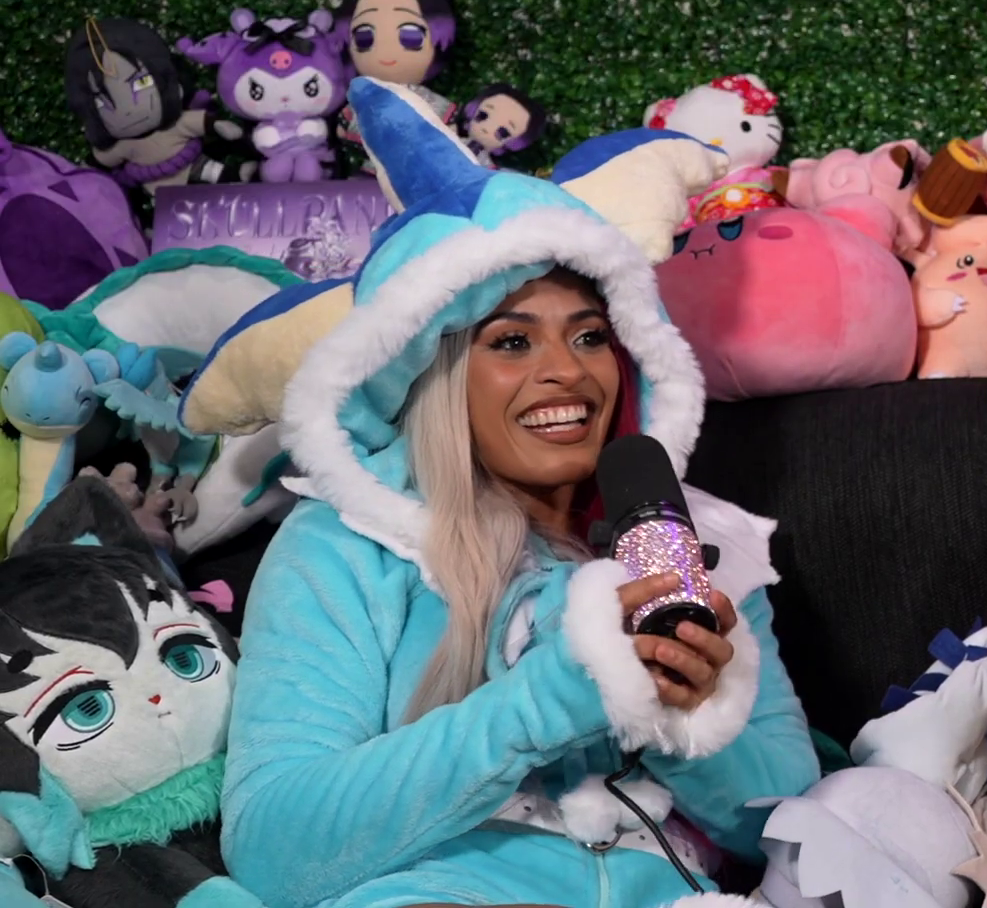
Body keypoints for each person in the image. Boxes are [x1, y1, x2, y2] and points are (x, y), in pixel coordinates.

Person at [218, 78, 817, 908]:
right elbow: (274, 849)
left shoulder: (694, 545)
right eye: (511, 341)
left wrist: (686, 710)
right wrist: (556, 696)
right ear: (435, 369)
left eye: (590, 336)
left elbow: (789, 827)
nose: (568, 371)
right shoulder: (347, 545)